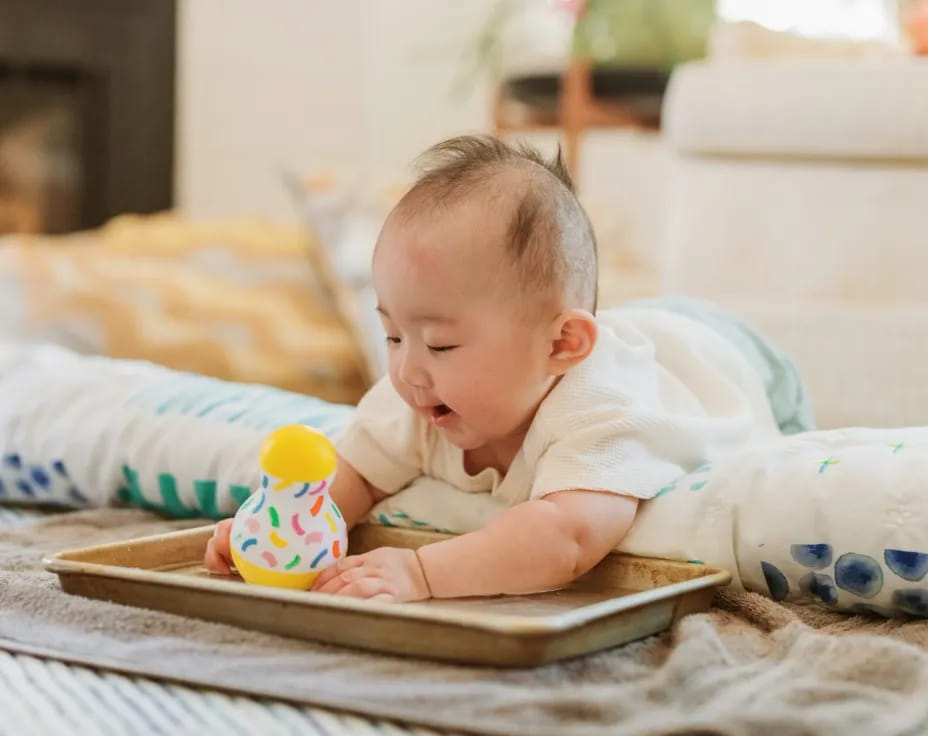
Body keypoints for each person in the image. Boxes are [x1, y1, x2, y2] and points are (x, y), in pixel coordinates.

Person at [204, 135, 811, 601]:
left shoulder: (603, 410)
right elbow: (353, 476)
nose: (409, 369)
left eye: (440, 345)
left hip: (723, 356)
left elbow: (566, 538)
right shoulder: (418, 391)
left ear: (561, 347)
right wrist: (278, 531)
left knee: (793, 442)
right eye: (392, 334)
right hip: (621, 325)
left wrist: (421, 572)